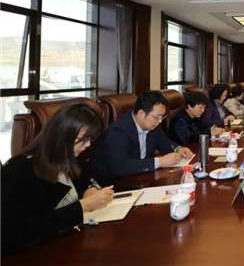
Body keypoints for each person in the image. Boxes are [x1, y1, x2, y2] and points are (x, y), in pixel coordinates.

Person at [2, 103, 115, 253]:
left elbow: (102, 176)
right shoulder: (21, 171)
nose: (88, 145)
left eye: (90, 139)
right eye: (83, 139)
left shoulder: (69, 159)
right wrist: (81, 207)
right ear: (62, 135)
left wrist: (91, 188)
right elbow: (12, 234)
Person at [91, 91, 194, 180]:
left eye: (162, 117)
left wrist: (178, 149)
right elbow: (120, 166)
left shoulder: (152, 125)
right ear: (141, 113)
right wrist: (160, 162)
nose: (159, 121)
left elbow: (164, 143)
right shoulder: (118, 131)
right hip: (114, 184)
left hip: (141, 177)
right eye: (156, 117)